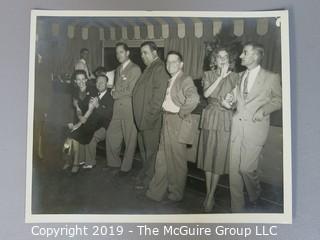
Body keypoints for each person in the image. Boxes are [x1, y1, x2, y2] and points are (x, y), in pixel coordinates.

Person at [221, 42, 282, 212]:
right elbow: (234, 99)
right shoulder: (240, 76)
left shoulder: (271, 77)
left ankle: (255, 195)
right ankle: (237, 210)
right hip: (237, 129)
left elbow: (279, 100)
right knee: (234, 172)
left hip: (256, 129)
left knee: (246, 168)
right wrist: (228, 101)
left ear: (255, 56)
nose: (241, 56)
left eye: (244, 53)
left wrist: (263, 110)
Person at [145, 51, 199, 202]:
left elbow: (194, 98)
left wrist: (181, 113)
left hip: (176, 122)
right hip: (166, 119)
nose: (170, 65)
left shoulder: (184, 79)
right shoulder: (172, 79)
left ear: (181, 64)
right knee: (161, 158)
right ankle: (156, 191)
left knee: (177, 160)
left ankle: (176, 193)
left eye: (174, 62)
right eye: (168, 62)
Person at [197, 48, 239, 212]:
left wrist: (231, 103)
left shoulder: (236, 77)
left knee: (219, 157)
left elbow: (237, 102)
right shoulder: (208, 74)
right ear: (214, 59)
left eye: (226, 56)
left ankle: (211, 194)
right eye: (219, 57)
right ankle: (209, 193)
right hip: (210, 117)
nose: (222, 59)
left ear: (230, 59)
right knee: (209, 157)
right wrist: (220, 77)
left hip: (225, 118)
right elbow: (207, 94)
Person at [132, 41, 169, 189]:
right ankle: (145, 176)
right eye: (141, 53)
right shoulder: (149, 68)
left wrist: (148, 118)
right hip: (142, 120)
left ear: (155, 53)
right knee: (146, 152)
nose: (142, 56)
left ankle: (149, 181)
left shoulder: (159, 68)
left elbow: (158, 98)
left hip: (150, 121)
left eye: (145, 52)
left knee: (151, 153)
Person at [105, 42, 141, 175]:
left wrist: (115, 93)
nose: (118, 55)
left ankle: (126, 168)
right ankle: (113, 163)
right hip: (117, 108)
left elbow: (132, 90)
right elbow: (117, 87)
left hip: (128, 108)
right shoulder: (118, 68)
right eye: (116, 53)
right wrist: (114, 90)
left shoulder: (135, 69)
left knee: (129, 139)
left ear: (127, 53)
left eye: (121, 52)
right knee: (111, 134)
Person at [64, 70, 97, 173]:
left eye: (83, 79)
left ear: (86, 80)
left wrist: (78, 124)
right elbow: (77, 109)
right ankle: (68, 160)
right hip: (80, 118)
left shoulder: (92, 90)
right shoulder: (74, 92)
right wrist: (78, 119)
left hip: (90, 120)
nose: (81, 82)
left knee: (74, 136)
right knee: (67, 140)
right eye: (78, 79)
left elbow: (90, 110)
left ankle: (75, 163)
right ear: (75, 81)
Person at [83, 74, 114, 169]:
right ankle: (82, 158)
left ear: (107, 84)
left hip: (105, 127)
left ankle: (90, 162)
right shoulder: (94, 95)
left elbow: (108, 115)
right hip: (94, 124)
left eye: (102, 82)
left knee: (91, 136)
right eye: (97, 82)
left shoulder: (110, 98)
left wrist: (97, 106)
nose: (99, 84)